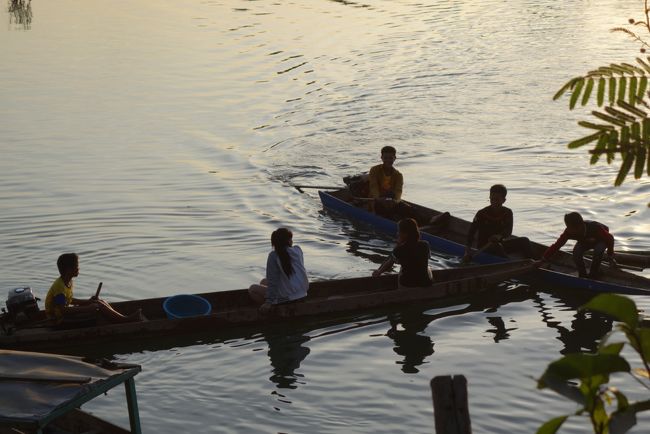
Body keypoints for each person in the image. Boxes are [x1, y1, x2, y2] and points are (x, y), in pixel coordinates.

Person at [45, 253, 144, 324]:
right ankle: (125, 320)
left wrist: (88, 301)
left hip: (64, 316)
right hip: (58, 320)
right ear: (69, 270)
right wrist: (87, 308)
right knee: (97, 307)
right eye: (77, 266)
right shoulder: (59, 287)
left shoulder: (68, 281)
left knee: (100, 302)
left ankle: (123, 319)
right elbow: (63, 310)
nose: (79, 269)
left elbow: (69, 300)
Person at [463, 184, 531, 263]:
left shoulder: (508, 212)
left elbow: (508, 231)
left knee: (524, 240)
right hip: (484, 247)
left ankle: (534, 262)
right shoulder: (481, 213)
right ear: (489, 198)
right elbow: (471, 233)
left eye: (497, 199)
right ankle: (508, 264)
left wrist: (499, 236)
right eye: (492, 199)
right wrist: (467, 252)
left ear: (504, 200)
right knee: (497, 246)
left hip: (500, 244)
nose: (494, 202)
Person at [537, 212, 617, 278]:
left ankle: (594, 273)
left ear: (579, 227)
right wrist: (543, 259)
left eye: (570, 228)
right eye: (567, 227)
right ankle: (582, 274)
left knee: (598, 250)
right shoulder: (568, 232)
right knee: (576, 253)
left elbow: (610, 238)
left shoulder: (595, 229)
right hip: (585, 241)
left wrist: (610, 256)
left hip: (600, 240)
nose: (567, 230)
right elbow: (557, 245)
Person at [249, 228, 309, 311]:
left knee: (252, 289)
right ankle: (274, 302)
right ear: (288, 241)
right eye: (291, 239)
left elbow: (273, 281)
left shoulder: (273, 256)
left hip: (288, 298)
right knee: (263, 281)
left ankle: (271, 308)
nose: (292, 241)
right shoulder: (298, 250)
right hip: (302, 294)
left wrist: (268, 302)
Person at [373, 218, 433, 288]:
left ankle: (401, 291)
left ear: (405, 234)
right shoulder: (425, 244)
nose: (397, 233)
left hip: (407, 284)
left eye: (399, 231)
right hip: (425, 283)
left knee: (402, 269)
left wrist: (379, 272)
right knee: (427, 267)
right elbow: (426, 258)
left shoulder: (399, 249)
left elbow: (389, 263)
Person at [368, 146, 404, 218]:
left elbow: (398, 191)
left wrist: (396, 201)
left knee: (408, 209)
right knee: (386, 214)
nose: (388, 160)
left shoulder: (399, 175)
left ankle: (431, 220)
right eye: (385, 158)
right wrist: (378, 198)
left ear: (394, 158)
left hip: (391, 201)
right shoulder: (374, 170)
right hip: (376, 200)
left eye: (390, 158)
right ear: (381, 158)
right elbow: (373, 186)